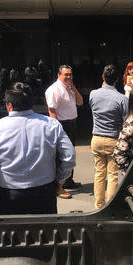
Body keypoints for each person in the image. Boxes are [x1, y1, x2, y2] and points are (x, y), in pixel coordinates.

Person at [0, 83, 76, 214]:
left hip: (9, 194)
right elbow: (69, 156)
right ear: (32, 102)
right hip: (44, 192)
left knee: (13, 234)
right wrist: (60, 181)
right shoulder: (51, 124)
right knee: (45, 233)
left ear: (9, 105)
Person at [90, 65, 128, 210]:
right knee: (113, 175)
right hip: (114, 139)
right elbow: (125, 121)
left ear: (102, 77)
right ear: (117, 79)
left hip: (97, 138)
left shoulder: (93, 94)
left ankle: (98, 206)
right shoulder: (122, 98)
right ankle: (109, 207)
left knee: (99, 173)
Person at [45, 65, 83, 198]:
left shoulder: (70, 88)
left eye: (70, 74)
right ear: (58, 75)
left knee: (71, 152)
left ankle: (68, 181)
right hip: (62, 125)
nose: (69, 77)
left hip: (72, 123)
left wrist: (74, 88)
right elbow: (52, 111)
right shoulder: (54, 89)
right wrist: (56, 130)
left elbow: (80, 102)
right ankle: (57, 186)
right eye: (66, 74)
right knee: (61, 156)